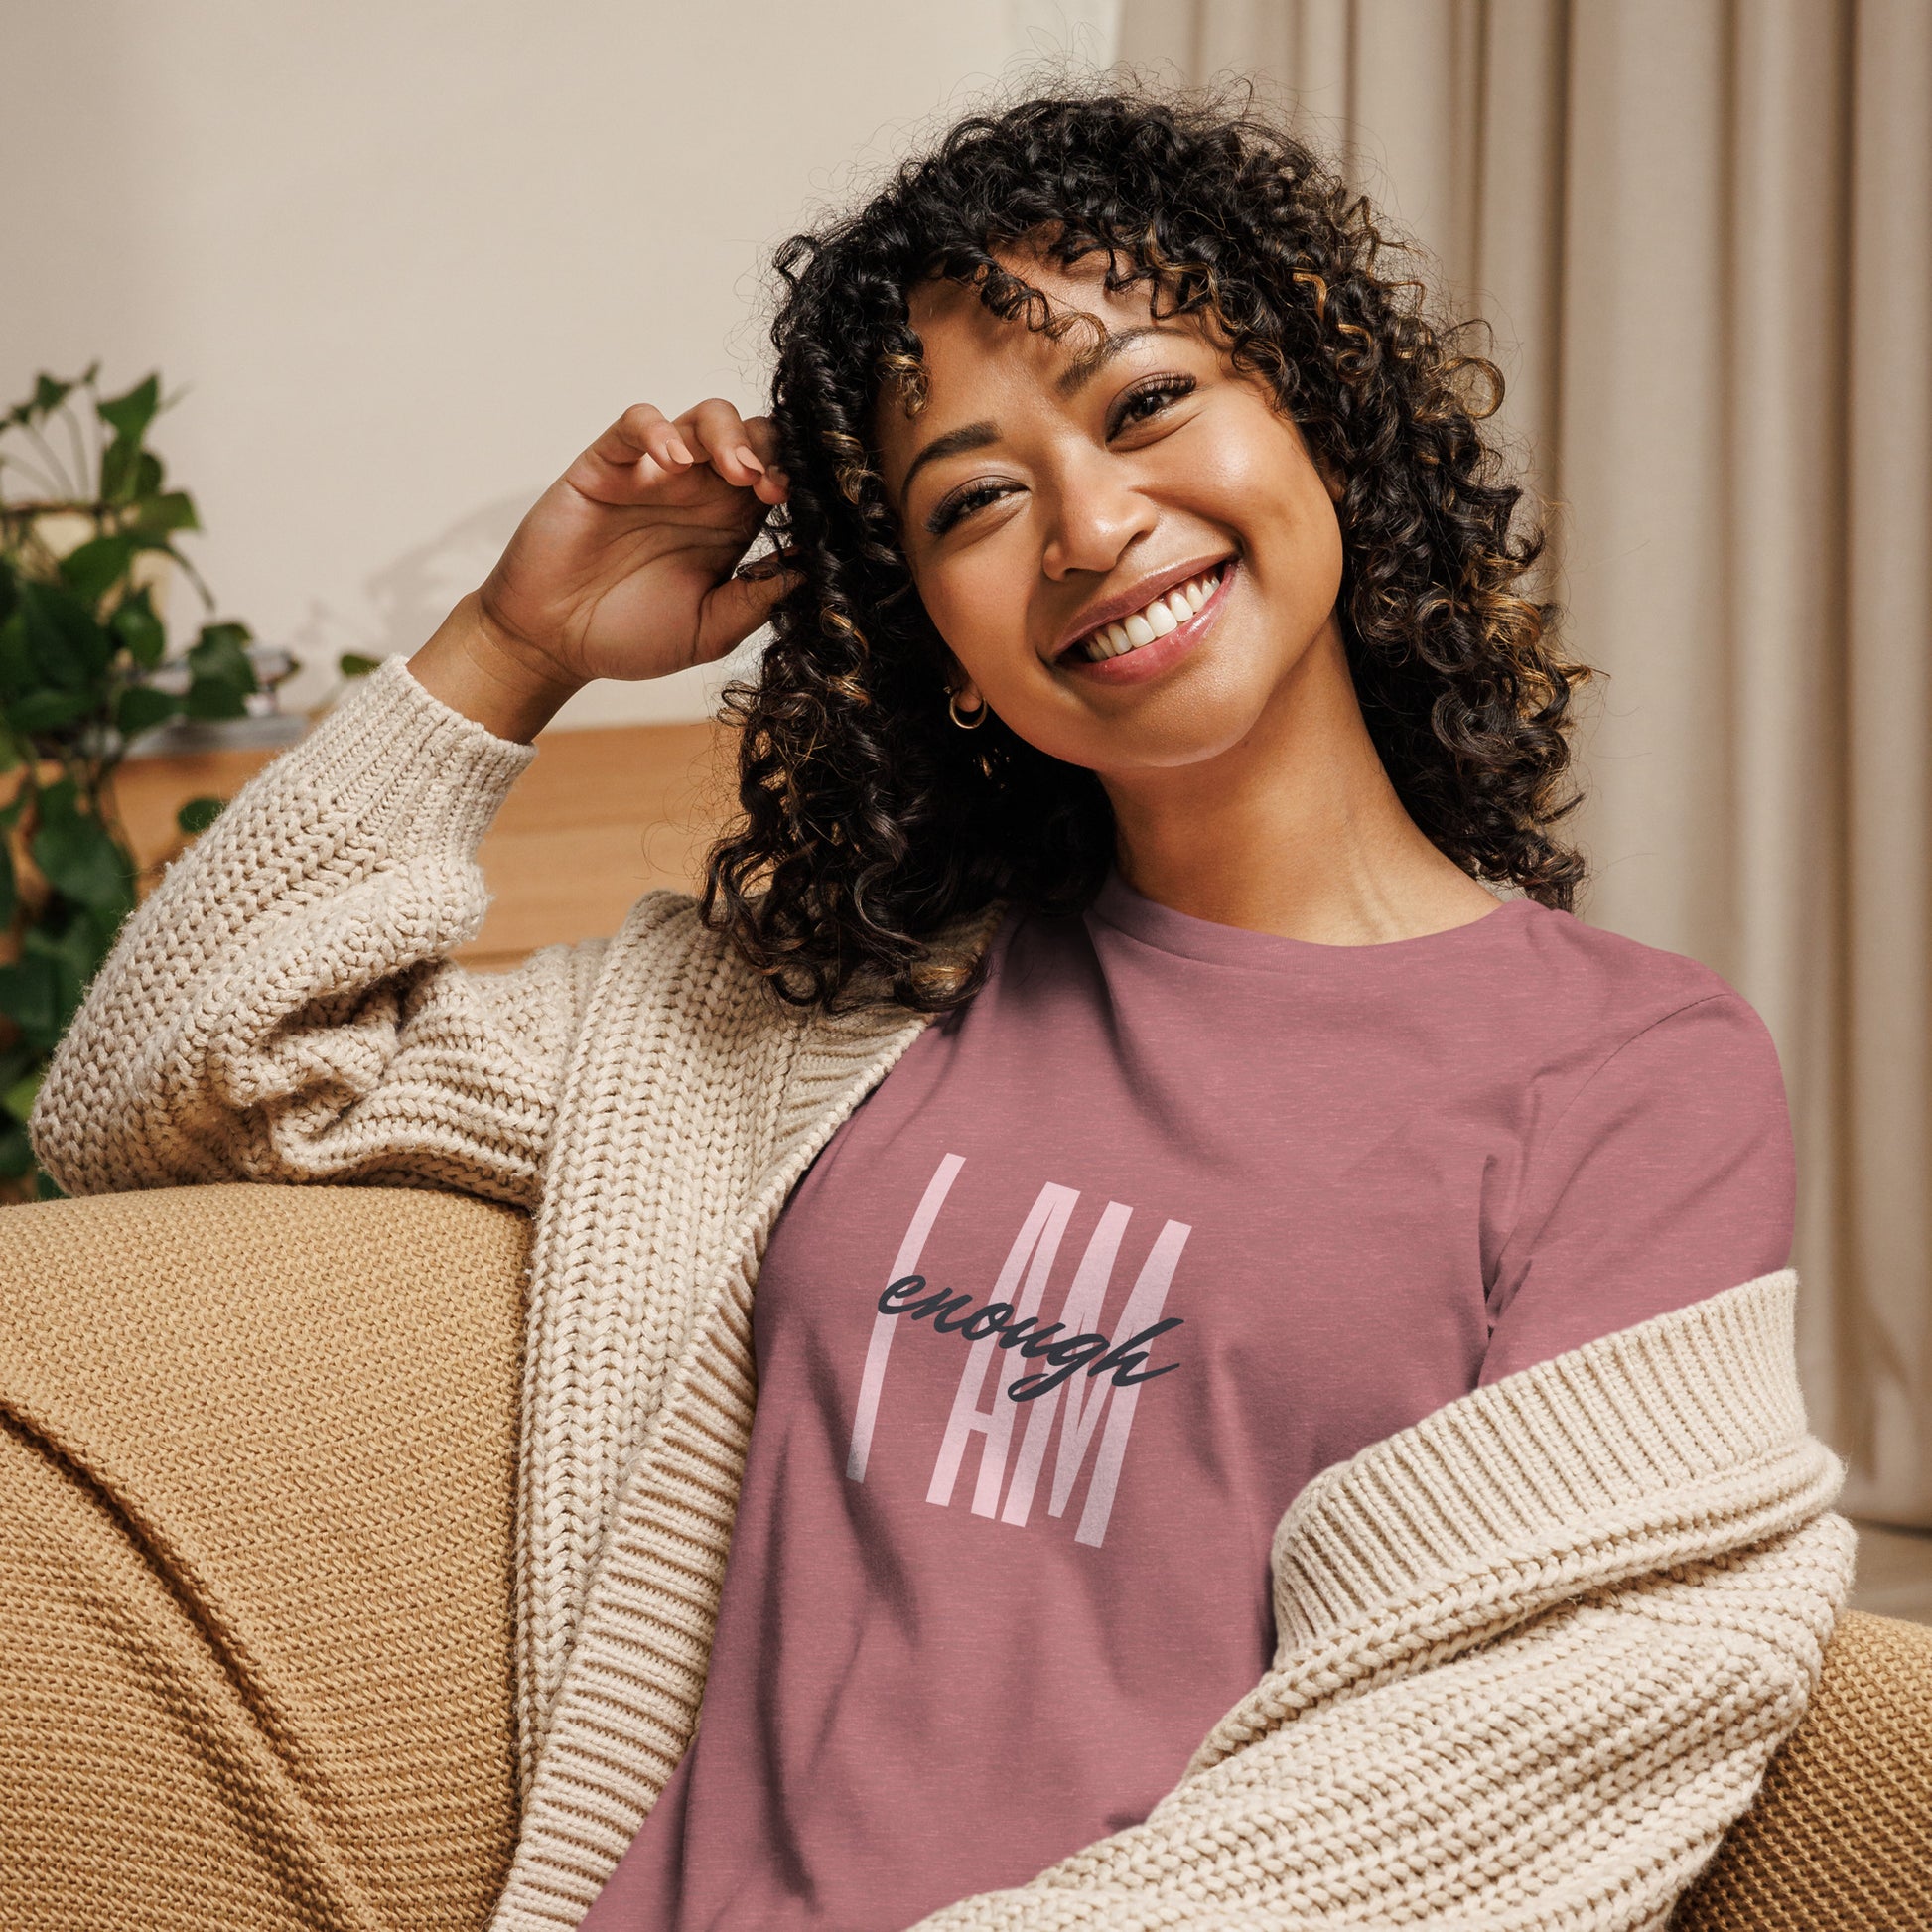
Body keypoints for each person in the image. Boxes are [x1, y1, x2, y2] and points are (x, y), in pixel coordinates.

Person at [28, 83, 1850, 1932]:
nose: (1086, 521)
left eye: (1147, 402)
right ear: (938, 640)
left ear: (1318, 417)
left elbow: (1523, 1736)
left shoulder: (1623, 1073)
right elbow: (173, 1088)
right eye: (974, 496)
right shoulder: (818, 1020)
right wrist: (510, 647)